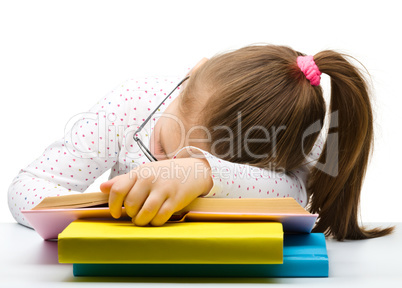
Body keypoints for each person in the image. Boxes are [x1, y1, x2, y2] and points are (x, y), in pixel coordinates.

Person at [8, 44, 394, 241]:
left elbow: (294, 199)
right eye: (161, 147)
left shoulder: (284, 142)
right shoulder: (134, 102)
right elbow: (25, 188)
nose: (166, 168)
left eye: (179, 161)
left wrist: (202, 172)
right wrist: (103, 217)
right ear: (191, 73)